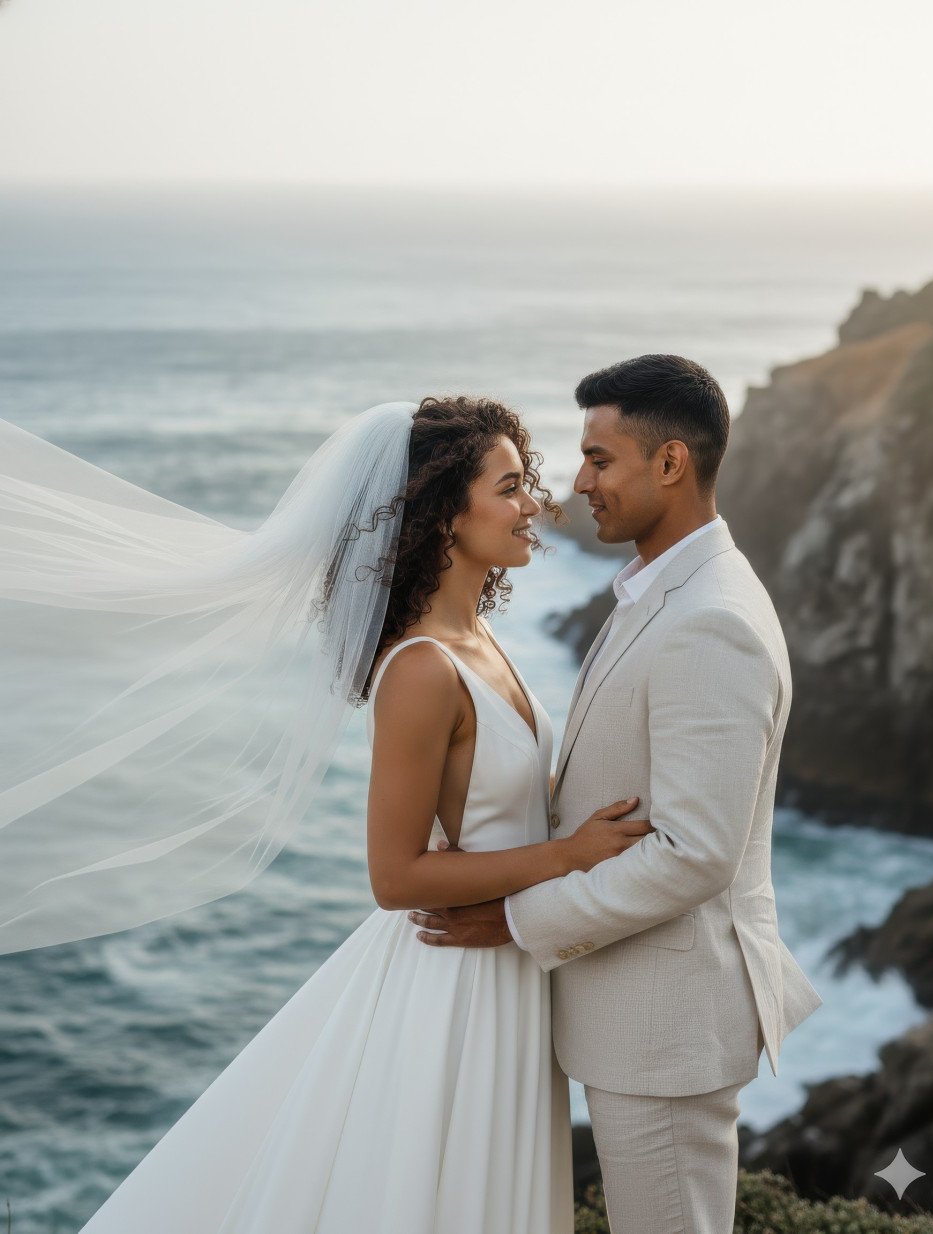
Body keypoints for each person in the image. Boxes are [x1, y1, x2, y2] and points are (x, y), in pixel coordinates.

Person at [1, 394, 653, 1233]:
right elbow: (396, 875)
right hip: (453, 984)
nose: (537, 505)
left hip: (509, 962)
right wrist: (570, 858)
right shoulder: (422, 669)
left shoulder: (481, 643)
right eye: (509, 488)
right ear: (444, 518)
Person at [406, 356, 825, 1234]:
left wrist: (520, 918)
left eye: (600, 460)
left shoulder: (710, 618)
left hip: (666, 1029)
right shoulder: (655, 591)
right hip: (636, 1016)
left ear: (670, 464)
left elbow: (697, 854)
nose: (579, 484)